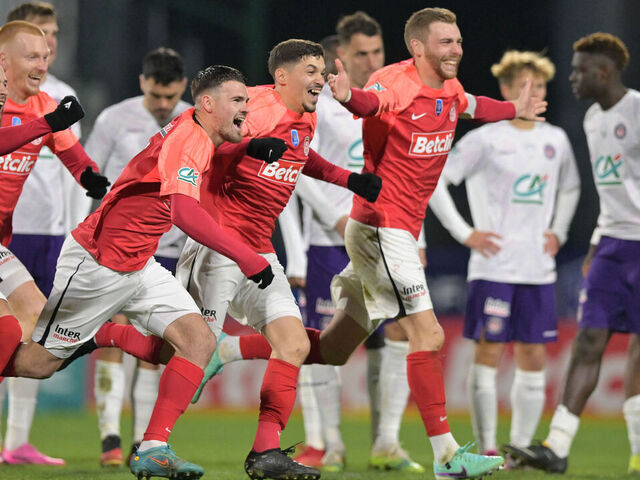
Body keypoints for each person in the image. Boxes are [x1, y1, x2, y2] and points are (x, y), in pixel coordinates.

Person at [201, 7, 548, 479]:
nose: (457, 50)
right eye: (446, 42)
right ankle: (447, 457)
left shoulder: (448, 88)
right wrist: (348, 97)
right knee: (427, 334)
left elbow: (473, 105)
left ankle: (228, 350)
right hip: (381, 227)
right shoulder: (397, 81)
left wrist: (514, 110)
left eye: (459, 41)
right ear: (419, 47)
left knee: (336, 349)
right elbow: (369, 103)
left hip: (395, 230)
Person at [0, 64, 285, 480]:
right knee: (38, 364)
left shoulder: (197, 131)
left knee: (198, 341)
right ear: (208, 104)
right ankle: (103, 335)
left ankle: (153, 447)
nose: (246, 107)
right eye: (238, 100)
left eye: (246, 99)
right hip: (96, 264)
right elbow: (184, 211)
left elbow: (197, 165)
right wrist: (246, 256)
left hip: (139, 263)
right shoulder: (189, 138)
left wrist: (247, 147)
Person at [175, 38, 382, 480]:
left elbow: (303, 161)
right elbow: (202, 142)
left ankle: (265, 452)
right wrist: (245, 148)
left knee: (295, 344)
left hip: (260, 251)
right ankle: (108, 340)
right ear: (282, 77)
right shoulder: (256, 107)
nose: (320, 78)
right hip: (219, 245)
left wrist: (351, 180)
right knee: (183, 350)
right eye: (311, 70)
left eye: (322, 69)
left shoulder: (304, 119)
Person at [428, 50, 580, 463]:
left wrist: (560, 230)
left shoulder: (556, 140)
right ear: (507, 90)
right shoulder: (485, 139)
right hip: (493, 265)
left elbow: (569, 188)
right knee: (490, 351)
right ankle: (490, 447)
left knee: (533, 352)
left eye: (541, 86)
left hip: (538, 269)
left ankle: (521, 450)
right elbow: (437, 181)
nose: (534, 93)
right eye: (524, 86)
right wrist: (464, 233)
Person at [291, 12, 425, 473]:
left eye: (377, 52)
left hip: (390, 235)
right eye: (361, 53)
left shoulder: (398, 98)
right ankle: (329, 444)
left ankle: (386, 442)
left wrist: (417, 232)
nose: (371, 61)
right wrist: (332, 215)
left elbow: (412, 172)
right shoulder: (320, 104)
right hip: (331, 238)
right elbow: (297, 164)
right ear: (340, 56)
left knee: (396, 335)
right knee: (329, 340)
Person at [504, 32, 640, 475]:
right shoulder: (592, 120)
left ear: (604, 71)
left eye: (580, 70)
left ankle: (637, 448)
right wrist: (599, 241)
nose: (572, 77)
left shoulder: (636, 109)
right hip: (613, 246)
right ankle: (557, 446)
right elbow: (612, 191)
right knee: (588, 341)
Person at [84, 46, 190, 467]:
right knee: (116, 336)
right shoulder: (114, 118)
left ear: (182, 86)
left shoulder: (194, 120)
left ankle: (140, 441)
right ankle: (110, 437)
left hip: (170, 250)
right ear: (143, 82)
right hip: (117, 246)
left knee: (158, 348)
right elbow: (89, 180)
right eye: (156, 96)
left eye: (170, 97)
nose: (163, 105)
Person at [1, 2, 87, 466]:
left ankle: (16, 441)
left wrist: (81, 216)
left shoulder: (58, 97)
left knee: (35, 323)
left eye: (51, 37)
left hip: (38, 235)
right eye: (37, 41)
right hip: (18, 231)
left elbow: (73, 161)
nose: (48, 47)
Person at [0, 19, 108, 380]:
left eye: (45, 57)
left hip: (2, 242)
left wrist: (89, 176)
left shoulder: (41, 105)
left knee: (36, 316)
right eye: (32, 56)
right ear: (3, 59)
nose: (43, 66)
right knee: (8, 330)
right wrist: (47, 123)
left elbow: (70, 151)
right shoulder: (37, 115)